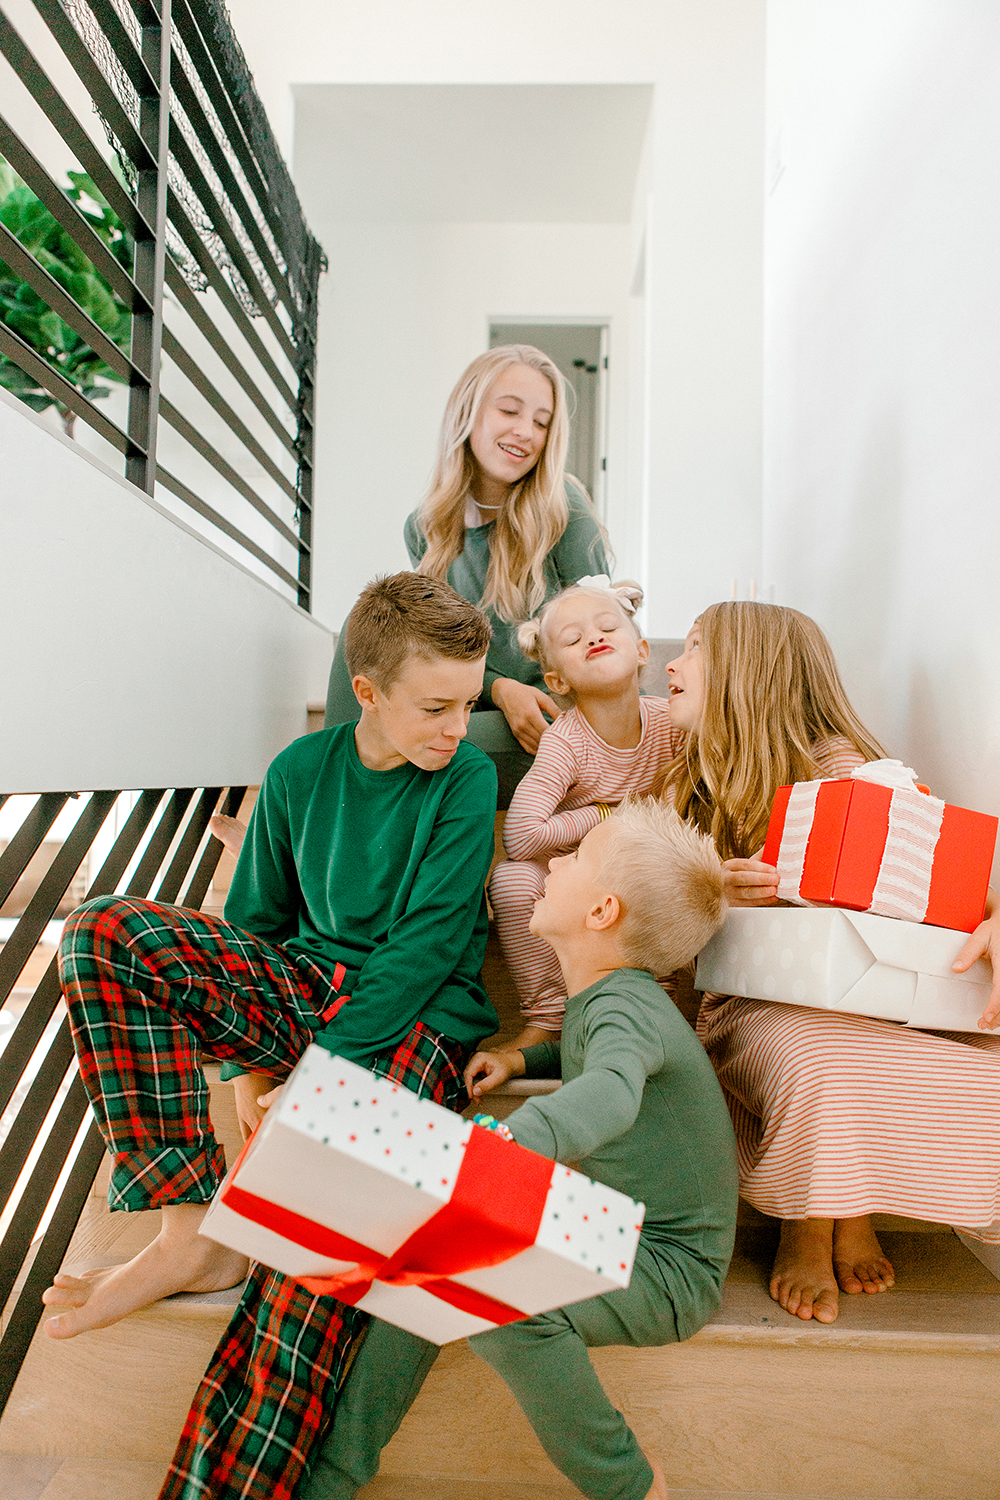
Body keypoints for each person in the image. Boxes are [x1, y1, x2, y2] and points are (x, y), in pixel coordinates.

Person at [45, 573, 501, 1500]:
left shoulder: (466, 779)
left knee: (302, 1264)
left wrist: (316, 1080)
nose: (460, 726)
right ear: (367, 692)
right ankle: (191, 1229)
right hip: (300, 996)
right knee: (99, 932)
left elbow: (422, 952)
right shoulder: (298, 771)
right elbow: (254, 926)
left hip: (414, 1026)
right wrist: (252, 1077)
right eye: (437, 707)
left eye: (471, 703)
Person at [300, 798, 738, 1500]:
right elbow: (590, 1059)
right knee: (430, 1262)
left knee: (498, 1301)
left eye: (576, 857)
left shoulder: (623, 1007)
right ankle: (333, 1474)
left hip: (668, 1267)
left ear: (602, 912)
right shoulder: (609, 999)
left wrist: (506, 1140)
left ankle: (630, 1484)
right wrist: (524, 1059)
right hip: (617, 1229)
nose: (553, 862)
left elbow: (612, 1093)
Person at [660, 600, 1000, 1325]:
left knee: (853, 1050)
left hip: (862, 999)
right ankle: (812, 1220)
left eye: (694, 648)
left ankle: (846, 1205)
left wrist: (995, 916)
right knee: (816, 1055)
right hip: (750, 999)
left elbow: (942, 884)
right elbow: (648, 920)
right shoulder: (692, 778)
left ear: (750, 671)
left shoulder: (844, 771)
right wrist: (714, 891)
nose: (671, 665)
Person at [323, 344, 610, 806]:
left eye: (541, 422)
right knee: (363, 627)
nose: (526, 432)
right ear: (467, 413)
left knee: (394, 740)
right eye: (509, 411)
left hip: (554, 718)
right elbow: (441, 650)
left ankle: (308, 831)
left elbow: (605, 646)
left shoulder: (563, 508)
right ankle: (310, 825)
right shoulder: (426, 527)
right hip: (472, 705)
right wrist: (500, 688)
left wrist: (525, 695)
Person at [488, 575, 684, 1055]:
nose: (594, 638)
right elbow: (521, 835)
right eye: (574, 639)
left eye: (607, 628)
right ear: (557, 682)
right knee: (511, 879)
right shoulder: (566, 740)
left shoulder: (671, 723)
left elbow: (683, 816)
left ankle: (659, 1009)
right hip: (569, 871)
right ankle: (549, 1018)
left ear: (642, 651)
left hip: (634, 873)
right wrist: (603, 814)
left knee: (670, 874)